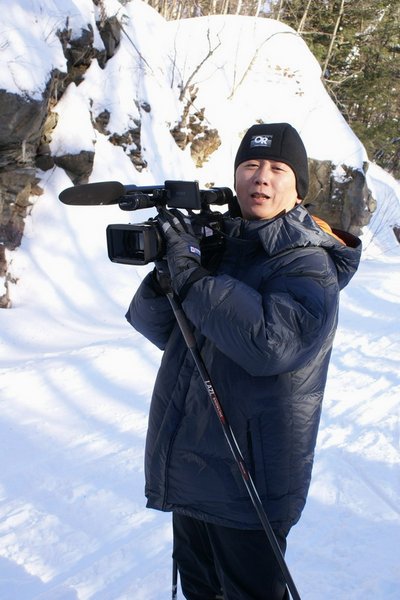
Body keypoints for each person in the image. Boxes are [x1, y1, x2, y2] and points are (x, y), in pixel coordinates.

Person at [126, 123, 362, 599]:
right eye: (251, 165)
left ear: (298, 188)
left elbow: (271, 344)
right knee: (201, 591)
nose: (262, 177)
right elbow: (165, 331)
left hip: (250, 476)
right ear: (236, 177)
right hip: (193, 462)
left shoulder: (307, 263)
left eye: (278, 168)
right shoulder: (223, 248)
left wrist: (193, 277)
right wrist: (170, 269)